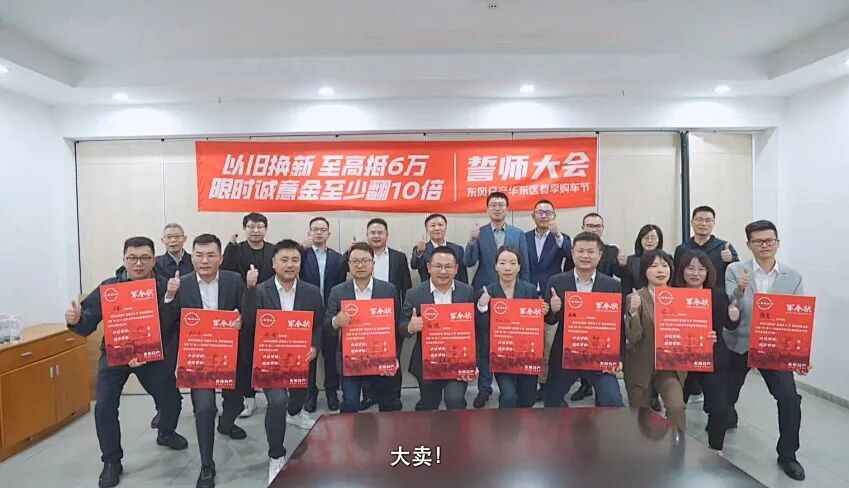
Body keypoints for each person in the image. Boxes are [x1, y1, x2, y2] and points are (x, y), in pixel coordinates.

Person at [65, 236, 187, 488]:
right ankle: (112, 460)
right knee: (104, 407)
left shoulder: (166, 286)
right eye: (132, 258)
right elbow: (87, 322)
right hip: (116, 355)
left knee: (171, 400)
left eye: (144, 258)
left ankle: (165, 432)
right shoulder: (109, 288)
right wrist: (76, 320)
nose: (138, 263)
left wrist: (169, 299)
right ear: (124, 259)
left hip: (152, 356)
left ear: (154, 260)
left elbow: (173, 326)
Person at [162, 233, 253, 488]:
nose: (204, 261)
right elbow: (167, 324)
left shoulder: (234, 280)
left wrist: (241, 319)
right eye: (199, 255)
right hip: (198, 360)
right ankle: (206, 465)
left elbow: (247, 312)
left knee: (235, 404)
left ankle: (226, 424)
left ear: (221, 258)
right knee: (205, 409)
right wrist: (169, 297)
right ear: (192, 258)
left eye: (211, 255)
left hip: (230, 356)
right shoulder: (182, 284)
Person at [724, 220, 809, 480]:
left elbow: (797, 320)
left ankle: (788, 455)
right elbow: (732, 309)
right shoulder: (735, 270)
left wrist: (801, 354)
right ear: (748, 244)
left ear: (777, 243)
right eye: (758, 241)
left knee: (789, 398)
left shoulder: (793, 277)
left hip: (774, 350)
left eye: (769, 240)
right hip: (739, 343)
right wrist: (740, 289)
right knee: (725, 398)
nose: (764, 245)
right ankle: (723, 420)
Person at [242, 239, 323, 484]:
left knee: (297, 399)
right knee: (277, 402)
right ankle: (276, 454)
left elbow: (318, 325)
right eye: (284, 260)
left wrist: (315, 346)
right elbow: (249, 323)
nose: (290, 265)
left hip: (301, 359)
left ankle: (295, 413)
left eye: (295, 260)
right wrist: (249, 289)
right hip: (271, 361)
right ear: (273, 263)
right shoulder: (260, 290)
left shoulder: (311, 291)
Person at [624, 250, 709, 432]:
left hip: (670, 367)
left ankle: (676, 445)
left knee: (676, 407)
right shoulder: (635, 298)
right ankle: (641, 445)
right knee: (639, 414)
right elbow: (633, 337)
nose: (660, 270)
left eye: (664, 265)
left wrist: (706, 338)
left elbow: (692, 331)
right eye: (654, 266)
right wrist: (633, 313)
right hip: (641, 364)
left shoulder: (681, 297)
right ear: (645, 271)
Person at [543, 232, 625, 409]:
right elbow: (549, 321)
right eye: (580, 251)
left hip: (600, 356)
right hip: (565, 356)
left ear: (600, 255)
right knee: (551, 402)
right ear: (572, 253)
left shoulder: (612, 285)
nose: (585, 256)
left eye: (590, 251)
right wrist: (553, 310)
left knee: (612, 400)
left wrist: (619, 358)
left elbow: (619, 326)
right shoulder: (557, 281)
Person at [464, 192, 530, 408]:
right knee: (485, 342)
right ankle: (484, 389)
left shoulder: (518, 234)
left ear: (507, 209)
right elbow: (468, 261)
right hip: (486, 294)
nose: (497, 208)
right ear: (487, 209)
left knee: (511, 341)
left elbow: (524, 266)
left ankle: (511, 387)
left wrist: (526, 296)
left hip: (513, 295)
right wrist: (471, 241)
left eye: (501, 205)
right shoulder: (479, 233)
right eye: (493, 205)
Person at [673, 249, 740, 451]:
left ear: (708, 272)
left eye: (701, 269)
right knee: (675, 404)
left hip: (712, 357)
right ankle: (672, 443)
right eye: (690, 268)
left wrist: (734, 315)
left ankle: (715, 449)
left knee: (720, 407)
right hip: (680, 359)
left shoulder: (717, 295)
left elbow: (730, 324)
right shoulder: (671, 295)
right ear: (682, 271)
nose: (695, 273)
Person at [326, 242, 401, 413]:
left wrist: (393, 355)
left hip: (381, 357)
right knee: (351, 402)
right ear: (348, 265)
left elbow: (395, 326)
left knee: (386, 403)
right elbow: (327, 325)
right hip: (350, 357)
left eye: (365, 261)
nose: (360, 265)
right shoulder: (338, 291)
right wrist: (336, 321)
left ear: (373, 263)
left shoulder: (388, 290)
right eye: (355, 261)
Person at [399, 246, 477, 410]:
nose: (443, 271)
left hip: (458, 361)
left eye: (448, 267)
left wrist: (473, 362)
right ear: (428, 267)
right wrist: (411, 327)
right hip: (427, 361)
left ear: (456, 269)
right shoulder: (415, 293)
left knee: (455, 400)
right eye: (438, 266)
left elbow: (475, 329)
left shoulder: (467, 292)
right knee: (429, 404)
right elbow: (401, 327)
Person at [347, 218, 411, 411]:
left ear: (386, 235)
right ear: (367, 235)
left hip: (390, 317)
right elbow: (344, 272)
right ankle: (369, 395)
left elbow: (406, 287)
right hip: (362, 320)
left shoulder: (399, 257)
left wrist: (404, 316)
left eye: (379, 232)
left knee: (392, 358)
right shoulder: (358, 257)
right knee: (365, 358)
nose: (376, 236)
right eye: (372, 233)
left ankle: (393, 396)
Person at [475, 246, 543, 408]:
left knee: (528, 399)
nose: (507, 268)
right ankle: (504, 422)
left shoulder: (530, 290)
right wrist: (482, 307)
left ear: (519, 267)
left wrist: (544, 310)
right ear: (495, 266)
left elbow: (537, 324)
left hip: (526, 353)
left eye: (512, 263)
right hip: (501, 354)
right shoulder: (486, 292)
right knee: (509, 396)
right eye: (502, 263)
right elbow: (481, 329)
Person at [564, 212, 620, 402]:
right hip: (576, 320)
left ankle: (599, 391)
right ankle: (585, 386)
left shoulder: (611, 253)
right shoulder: (573, 257)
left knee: (610, 398)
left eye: (597, 226)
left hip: (602, 318)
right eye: (590, 226)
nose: (594, 229)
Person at [223, 212, 274, 418]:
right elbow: (225, 272)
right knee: (245, 356)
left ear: (265, 229)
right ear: (245, 229)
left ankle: (274, 395)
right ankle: (249, 398)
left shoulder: (273, 250)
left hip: (269, 309)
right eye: (251, 226)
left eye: (260, 227)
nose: (256, 230)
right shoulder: (236, 249)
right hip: (243, 309)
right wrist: (230, 246)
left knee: (269, 352)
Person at [524, 199, 572, 402]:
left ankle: (547, 385)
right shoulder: (524, 237)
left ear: (554, 215)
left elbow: (570, 256)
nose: (544, 216)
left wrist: (558, 235)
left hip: (552, 297)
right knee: (530, 342)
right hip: (528, 296)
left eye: (548, 212)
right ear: (533, 215)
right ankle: (530, 383)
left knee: (550, 343)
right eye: (540, 212)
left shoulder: (562, 238)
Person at [299, 217, 347, 412]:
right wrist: (300, 249)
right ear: (309, 232)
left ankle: (331, 392)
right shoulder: (301, 255)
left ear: (329, 233)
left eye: (322, 229)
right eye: (315, 229)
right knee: (308, 355)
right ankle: (310, 393)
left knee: (331, 355)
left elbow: (341, 285)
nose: (318, 232)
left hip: (330, 312)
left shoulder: (338, 258)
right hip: (306, 313)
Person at [615, 224, 664, 412]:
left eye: (653, 237)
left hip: (660, 310)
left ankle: (654, 395)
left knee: (657, 352)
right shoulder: (631, 261)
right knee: (641, 352)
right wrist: (628, 309)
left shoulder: (665, 259)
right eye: (646, 237)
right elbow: (625, 285)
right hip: (637, 307)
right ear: (640, 240)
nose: (650, 240)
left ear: (659, 240)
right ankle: (643, 391)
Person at [150, 222, 195, 429]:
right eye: (169, 237)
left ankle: (199, 406)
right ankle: (163, 409)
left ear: (185, 239)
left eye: (177, 236)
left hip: (192, 321)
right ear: (163, 241)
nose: (173, 240)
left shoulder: (194, 260)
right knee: (165, 370)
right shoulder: (156, 263)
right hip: (166, 322)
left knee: (195, 366)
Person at [674, 205, 739, 290]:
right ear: (692, 222)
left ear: (713, 223)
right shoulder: (682, 249)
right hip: (688, 296)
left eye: (708, 220)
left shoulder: (724, 247)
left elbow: (737, 275)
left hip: (717, 296)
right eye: (699, 220)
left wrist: (731, 260)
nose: (703, 224)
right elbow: (676, 278)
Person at [410, 213, 469, 284]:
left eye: (440, 225)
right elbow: (414, 266)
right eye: (433, 225)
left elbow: (462, 275)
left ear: (446, 227)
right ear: (427, 229)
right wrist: (419, 253)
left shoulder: (458, 249)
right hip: (428, 289)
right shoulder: (421, 249)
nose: (437, 228)